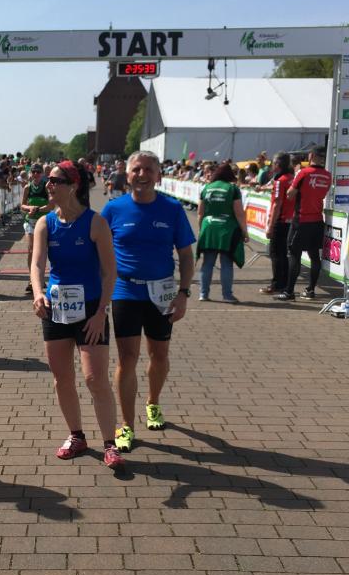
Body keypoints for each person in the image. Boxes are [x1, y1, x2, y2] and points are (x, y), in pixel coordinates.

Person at [30, 160, 124, 470]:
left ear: (73, 186)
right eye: (48, 179)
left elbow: (110, 272)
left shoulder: (95, 223)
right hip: (56, 309)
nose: (48, 184)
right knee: (62, 379)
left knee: (95, 379)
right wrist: (38, 292)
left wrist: (101, 312)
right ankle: (76, 436)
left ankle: (110, 444)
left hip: (91, 309)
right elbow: (37, 264)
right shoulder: (45, 223)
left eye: (55, 180)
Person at [101, 151, 195, 453]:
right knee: (127, 358)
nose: (142, 175)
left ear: (158, 175)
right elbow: (97, 250)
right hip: (125, 291)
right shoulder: (113, 209)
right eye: (136, 169)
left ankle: (153, 403)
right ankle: (126, 425)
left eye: (148, 170)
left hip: (162, 294)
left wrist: (183, 293)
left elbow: (186, 255)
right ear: (127, 175)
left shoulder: (172, 209)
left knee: (159, 354)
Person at [275, 145, 332, 301]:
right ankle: (310, 290)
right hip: (317, 220)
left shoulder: (303, 173)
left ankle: (289, 292)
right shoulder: (328, 175)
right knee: (314, 256)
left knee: (294, 255)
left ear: (311, 156)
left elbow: (290, 195)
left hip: (301, 220)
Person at [196, 163, 249, 303]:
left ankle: (203, 294)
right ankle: (227, 295)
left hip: (209, 228)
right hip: (227, 229)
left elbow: (200, 212)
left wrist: (201, 229)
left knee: (207, 263)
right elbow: (239, 213)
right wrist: (245, 231)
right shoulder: (233, 189)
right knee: (226, 264)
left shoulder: (206, 188)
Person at [260, 152, 293, 295]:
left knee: (275, 254)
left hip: (281, 220)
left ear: (278, 164)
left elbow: (277, 204)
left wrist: (270, 226)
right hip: (290, 221)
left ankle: (277, 284)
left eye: (273, 163)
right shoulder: (292, 178)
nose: (271, 166)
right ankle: (284, 283)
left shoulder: (280, 181)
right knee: (283, 254)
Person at [21, 163, 52, 294]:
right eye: (33, 172)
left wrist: (38, 209)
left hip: (43, 222)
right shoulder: (27, 187)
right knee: (31, 250)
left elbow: (51, 205)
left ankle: (40, 278)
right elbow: (22, 205)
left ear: (42, 174)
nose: (35, 174)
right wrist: (29, 208)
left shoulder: (46, 187)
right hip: (30, 222)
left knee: (42, 251)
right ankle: (31, 279)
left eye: (38, 172)